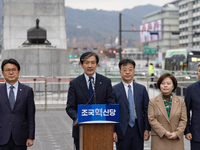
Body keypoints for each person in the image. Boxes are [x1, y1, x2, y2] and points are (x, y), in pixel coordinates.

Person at [66, 52, 115, 150]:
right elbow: (70, 107)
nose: (90, 66)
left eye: (93, 63)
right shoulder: (74, 83)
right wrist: (79, 118)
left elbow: (111, 104)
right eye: (86, 63)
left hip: (102, 130)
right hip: (81, 130)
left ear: (97, 64)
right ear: (81, 65)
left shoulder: (106, 82)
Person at [113, 59, 150, 150]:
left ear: (134, 71)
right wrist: (113, 131)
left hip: (138, 128)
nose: (127, 72)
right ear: (120, 72)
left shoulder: (141, 89)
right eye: (124, 69)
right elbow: (112, 112)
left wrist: (147, 129)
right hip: (122, 129)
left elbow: (147, 110)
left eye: (130, 69)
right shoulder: (114, 90)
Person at [0, 58, 35, 150]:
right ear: (3, 73)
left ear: (18, 72)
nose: (11, 73)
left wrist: (30, 136)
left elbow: (30, 115)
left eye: (14, 70)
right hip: (2, 136)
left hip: (21, 136)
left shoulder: (27, 91)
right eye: (7, 70)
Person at [148, 73, 187, 150]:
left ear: (173, 86)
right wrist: (164, 132)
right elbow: (151, 119)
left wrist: (177, 133)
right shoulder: (153, 101)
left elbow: (183, 119)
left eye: (168, 83)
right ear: (159, 85)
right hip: (159, 138)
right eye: (163, 83)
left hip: (176, 139)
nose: (165, 85)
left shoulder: (181, 101)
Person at [184, 62, 200, 150]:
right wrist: (187, 130)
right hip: (196, 133)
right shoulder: (191, 89)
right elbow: (185, 111)